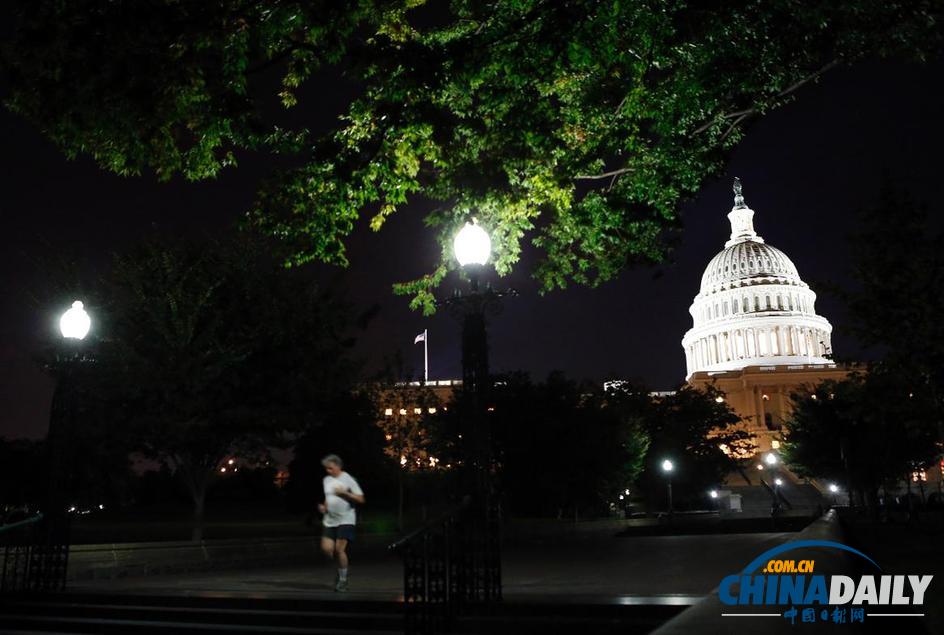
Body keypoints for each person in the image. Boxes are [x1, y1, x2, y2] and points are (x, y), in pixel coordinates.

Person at [318, 454, 365, 592]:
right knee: (326, 549)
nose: (328, 471)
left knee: (339, 550)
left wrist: (345, 493)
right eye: (326, 468)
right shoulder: (326, 480)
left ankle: (343, 580)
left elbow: (361, 499)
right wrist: (324, 507)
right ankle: (341, 571)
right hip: (330, 520)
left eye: (330, 468)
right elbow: (328, 496)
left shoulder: (349, 479)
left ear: (338, 466)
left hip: (346, 519)